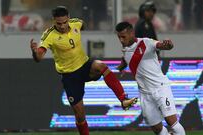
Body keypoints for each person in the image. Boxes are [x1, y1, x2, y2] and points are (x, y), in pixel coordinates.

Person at [29, 6, 137, 135]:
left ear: (68, 18)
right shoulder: (49, 35)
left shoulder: (76, 23)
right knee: (80, 115)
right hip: (70, 76)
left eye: (65, 22)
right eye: (59, 23)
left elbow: (82, 25)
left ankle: (123, 99)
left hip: (85, 66)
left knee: (102, 66)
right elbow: (39, 56)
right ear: (53, 21)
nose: (62, 26)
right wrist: (35, 53)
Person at [115, 22, 186, 135]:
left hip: (160, 88)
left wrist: (168, 45)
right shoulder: (125, 49)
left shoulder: (146, 42)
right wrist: (121, 66)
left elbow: (162, 45)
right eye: (119, 37)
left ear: (132, 33)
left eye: (123, 36)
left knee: (172, 122)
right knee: (157, 128)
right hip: (145, 94)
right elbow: (126, 57)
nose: (121, 40)